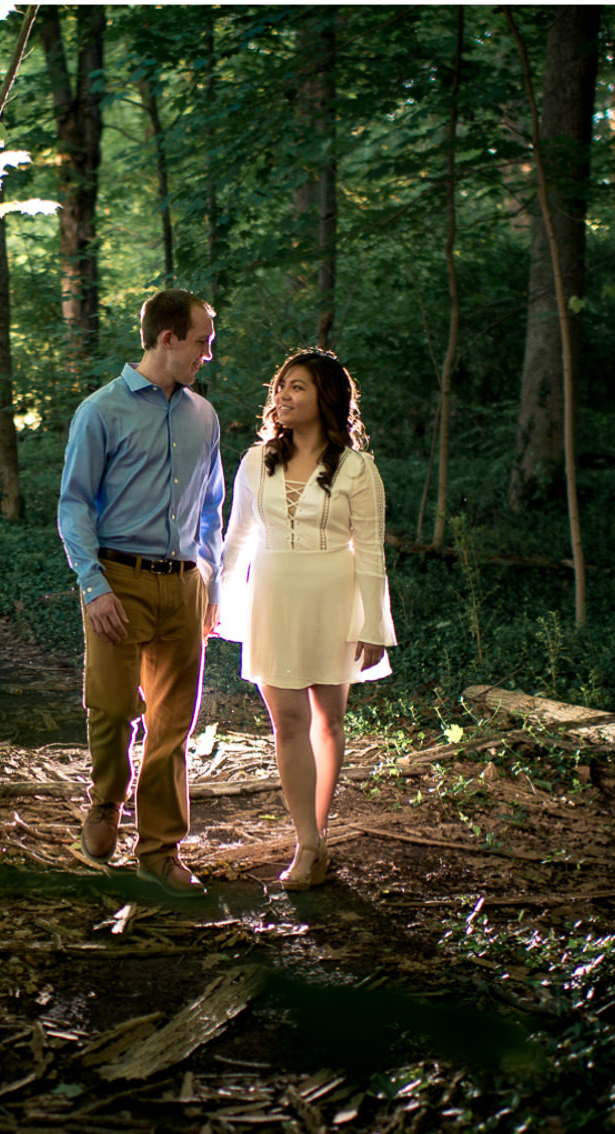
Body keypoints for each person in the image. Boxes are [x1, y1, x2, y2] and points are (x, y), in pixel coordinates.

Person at [55, 290, 228, 888]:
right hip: (116, 581)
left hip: (183, 586)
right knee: (110, 708)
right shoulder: (100, 411)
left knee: (172, 723)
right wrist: (93, 585)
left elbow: (212, 508)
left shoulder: (203, 417)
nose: (209, 353)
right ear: (168, 338)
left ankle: (160, 851)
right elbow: (74, 504)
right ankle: (105, 804)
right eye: (203, 340)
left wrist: (209, 578)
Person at [208, 349, 396, 885]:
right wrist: (220, 602)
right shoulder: (255, 460)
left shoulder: (358, 468)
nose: (284, 396)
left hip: (336, 599)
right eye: (282, 386)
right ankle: (308, 845)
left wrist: (375, 626)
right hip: (273, 598)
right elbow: (238, 538)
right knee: (287, 723)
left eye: (298, 387)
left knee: (328, 722)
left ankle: (318, 832)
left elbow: (372, 552)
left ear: (327, 399)